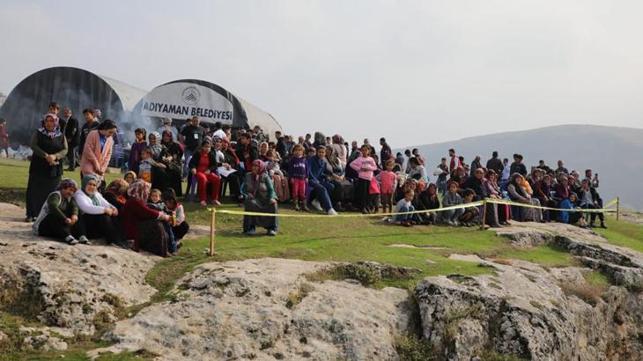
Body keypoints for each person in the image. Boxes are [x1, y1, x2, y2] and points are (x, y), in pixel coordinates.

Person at [25, 113, 68, 221]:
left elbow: (65, 149)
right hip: (38, 166)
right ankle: (32, 214)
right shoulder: (38, 132)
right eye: (47, 121)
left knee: (52, 191)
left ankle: (48, 214)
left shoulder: (61, 135)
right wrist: (46, 156)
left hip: (55, 168)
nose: (49, 123)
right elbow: (33, 145)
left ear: (56, 122)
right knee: (34, 190)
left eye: (52, 121)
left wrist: (55, 156)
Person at [122, 180, 172, 256]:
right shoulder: (134, 201)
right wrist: (163, 216)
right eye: (146, 189)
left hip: (136, 226)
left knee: (157, 223)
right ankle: (161, 251)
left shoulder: (136, 200)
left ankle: (165, 249)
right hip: (132, 231)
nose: (148, 192)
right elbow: (146, 212)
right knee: (156, 224)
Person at [74, 174, 122, 245]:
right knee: (104, 216)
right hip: (85, 224)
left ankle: (118, 239)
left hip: (95, 223)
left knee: (113, 216)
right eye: (89, 184)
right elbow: (86, 207)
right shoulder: (79, 194)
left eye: (94, 185)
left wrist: (113, 208)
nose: (92, 187)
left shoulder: (96, 194)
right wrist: (104, 210)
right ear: (84, 183)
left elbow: (105, 203)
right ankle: (113, 240)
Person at [32, 179, 82, 245]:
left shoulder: (69, 198)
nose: (71, 193)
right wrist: (65, 218)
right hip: (43, 226)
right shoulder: (55, 195)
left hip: (55, 228)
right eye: (69, 189)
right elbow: (53, 207)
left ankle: (80, 235)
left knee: (78, 215)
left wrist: (74, 215)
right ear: (63, 188)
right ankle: (67, 236)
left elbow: (74, 206)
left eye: (73, 191)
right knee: (53, 216)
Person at [241, 159, 279, 236]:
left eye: (256, 166)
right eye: (253, 166)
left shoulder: (265, 176)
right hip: (254, 199)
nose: (254, 168)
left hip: (265, 199)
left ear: (261, 167)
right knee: (250, 203)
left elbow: (271, 189)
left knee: (273, 205)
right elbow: (242, 189)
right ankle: (250, 228)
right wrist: (247, 194)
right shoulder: (248, 175)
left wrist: (271, 198)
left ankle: (272, 228)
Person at [79, 119, 117, 185]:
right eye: (110, 132)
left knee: (100, 188)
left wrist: (102, 169)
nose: (111, 135)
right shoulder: (93, 134)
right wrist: (96, 164)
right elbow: (88, 150)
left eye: (113, 133)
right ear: (105, 128)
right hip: (88, 166)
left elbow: (108, 155)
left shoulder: (110, 140)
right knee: (89, 187)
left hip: (100, 169)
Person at [189, 141, 221, 206]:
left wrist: (209, 169)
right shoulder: (197, 154)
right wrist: (193, 168)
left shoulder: (211, 154)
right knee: (203, 179)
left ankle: (214, 199)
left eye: (209, 147)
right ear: (202, 147)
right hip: (198, 172)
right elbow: (191, 163)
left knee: (217, 179)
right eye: (205, 147)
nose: (207, 149)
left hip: (207, 172)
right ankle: (202, 200)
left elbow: (214, 165)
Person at [307, 146, 338, 215]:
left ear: (325, 153)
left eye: (323, 152)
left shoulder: (323, 163)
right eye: (319, 152)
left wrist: (328, 176)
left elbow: (322, 173)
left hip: (318, 181)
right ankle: (329, 209)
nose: (321, 154)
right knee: (322, 188)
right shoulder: (311, 159)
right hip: (310, 180)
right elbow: (308, 171)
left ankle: (316, 200)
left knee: (331, 186)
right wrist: (314, 179)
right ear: (317, 152)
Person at [147, 189, 178, 254]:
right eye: (153, 196)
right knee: (163, 236)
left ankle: (173, 249)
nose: (154, 198)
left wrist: (172, 213)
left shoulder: (162, 204)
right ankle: (165, 249)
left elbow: (167, 211)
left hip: (165, 222)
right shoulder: (149, 205)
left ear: (159, 197)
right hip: (156, 222)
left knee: (170, 234)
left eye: (156, 196)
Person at [349, 144, 378, 213]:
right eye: (363, 150)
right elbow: (351, 164)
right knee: (363, 193)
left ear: (369, 151)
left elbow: (375, 167)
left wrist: (368, 168)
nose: (364, 152)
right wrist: (359, 169)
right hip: (362, 177)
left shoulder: (371, 159)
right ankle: (363, 207)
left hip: (369, 178)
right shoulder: (359, 159)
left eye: (366, 150)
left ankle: (368, 206)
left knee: (368, 193)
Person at [159, 130, 184, 196]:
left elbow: (178, 154)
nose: (165, 138)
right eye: (164, 136)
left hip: (174, 164)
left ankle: (175, 193)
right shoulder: (161, 144)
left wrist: (171, 158)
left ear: (170, 137)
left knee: (174, 172)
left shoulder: (175, 145)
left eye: (167, 136)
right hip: (163, 164)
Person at [288, 144, 309, 211]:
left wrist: (307, 177)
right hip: (295, 178)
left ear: (302, 152)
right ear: (293, 151)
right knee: (295, 191)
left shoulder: (304, 160)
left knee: (302, 192)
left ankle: (304, 205)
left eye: (299, 150)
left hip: (302, 179)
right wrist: (291, 177)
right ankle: (295, 204)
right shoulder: (292, 160)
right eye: (296, 150)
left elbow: (307, 169)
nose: (298, 151)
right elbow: (290, 169)